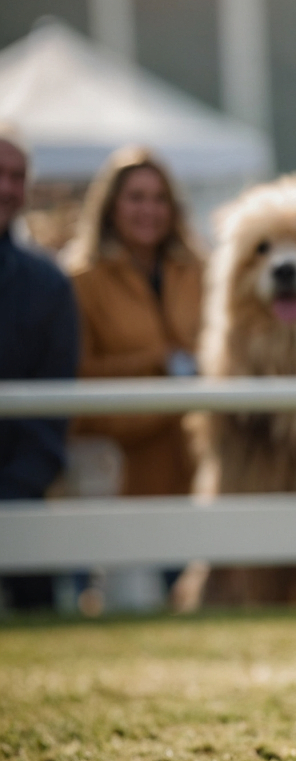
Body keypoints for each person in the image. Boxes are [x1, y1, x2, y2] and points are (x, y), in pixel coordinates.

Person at [65, 147, 204, 497]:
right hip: (124, 479)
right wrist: (159, 369)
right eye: (136, 198)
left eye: (160, 199)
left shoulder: (201, 272)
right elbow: (76, 386)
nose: (149, 210)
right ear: (111, 206)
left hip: (203, 473)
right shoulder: (81, 282)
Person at [0, 127, 80, 609]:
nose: (7, 188)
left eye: (17, 177)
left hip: (21, 497)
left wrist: (14, 492)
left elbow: (53, 410)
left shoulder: (47, 283)